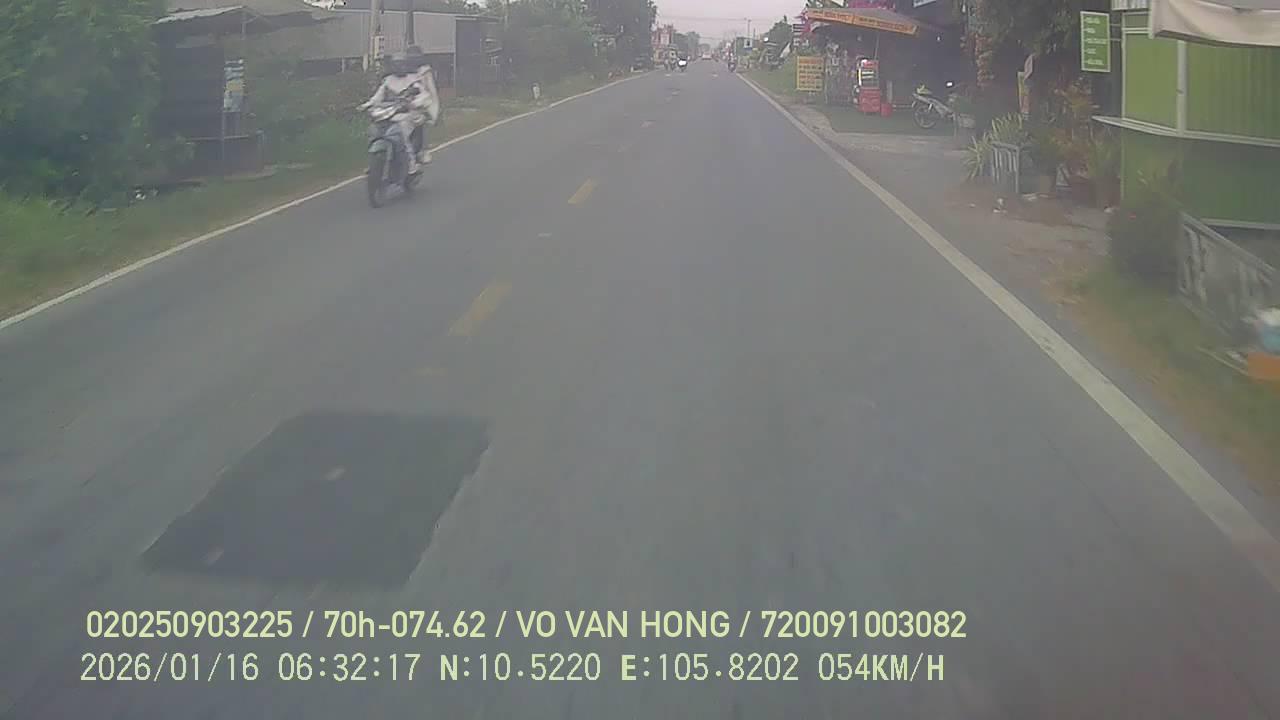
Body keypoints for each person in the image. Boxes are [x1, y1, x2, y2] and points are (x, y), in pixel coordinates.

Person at [361, 52, 433, 175]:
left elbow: (424, 96)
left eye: (402, 64)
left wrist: (414, 103)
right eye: (396, 64)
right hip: (388, 114)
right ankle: (374, 163)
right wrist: (366, 105)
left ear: (406, 65)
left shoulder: (414, 79)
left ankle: (411, 165)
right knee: (374, 132)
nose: (400, 67)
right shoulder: (388, 80)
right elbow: (377, 97)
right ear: (392, 66)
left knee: (402, 136)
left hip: (407, 114)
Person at [404, 45, 441, 165]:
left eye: (415, 56)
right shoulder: (402, 70)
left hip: (422, 102)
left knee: (422, 125)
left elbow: (431, 90)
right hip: (404, 103)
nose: (413, 59)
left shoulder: (425, 71)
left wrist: (432, 109)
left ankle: (423, 151)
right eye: (411, 56)